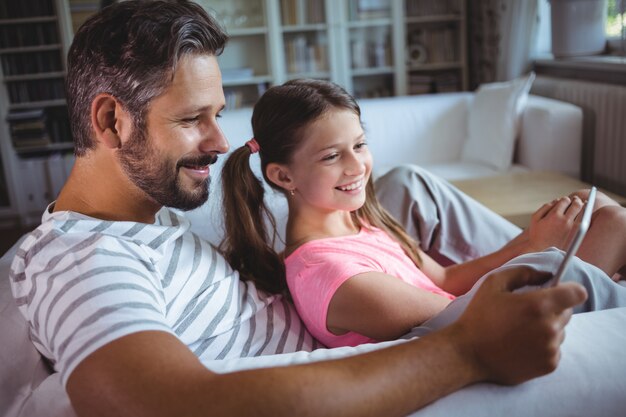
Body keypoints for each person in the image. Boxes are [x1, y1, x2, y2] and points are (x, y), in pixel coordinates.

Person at [10, 2, 588, 416]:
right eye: (192, 120)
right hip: (364, 350)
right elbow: (155, 404)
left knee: (410, 184)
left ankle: (570, 252)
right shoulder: (82, 259)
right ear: (111, 120)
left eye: (217, 114)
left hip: (339, 314)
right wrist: (468, 351)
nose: (219, 140)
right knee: (584, 269)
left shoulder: (146, 215)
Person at [220, 78, 626, 348]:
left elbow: (445, 281)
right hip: (498, 335)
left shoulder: (356, 222)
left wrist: (532, 241)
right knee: (614, 223)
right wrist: (544, 255)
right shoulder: (336, 276)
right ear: (283, 176)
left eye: (360, 145)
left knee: (604, 213)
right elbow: (474, 328)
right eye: (331, 156)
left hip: (477, 315)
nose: (357, 165)